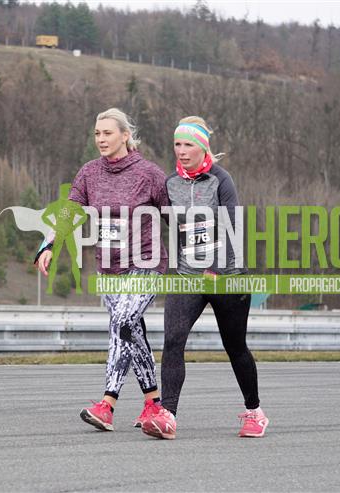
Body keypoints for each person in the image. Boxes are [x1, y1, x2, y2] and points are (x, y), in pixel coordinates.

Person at [35, 108, 168, 431]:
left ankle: (107, 404)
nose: (101, 139)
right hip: (109, 269)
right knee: (131, 331)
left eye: (108, 133)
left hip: (146, 263)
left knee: (122, 323)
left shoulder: (149, 174)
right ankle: (153, 403)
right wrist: (49, 244)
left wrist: (205, 255)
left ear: (125, 135)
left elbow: (176, 217)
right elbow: (69, 212)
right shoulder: (89, 173)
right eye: (97, 133)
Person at [141, 116, 269, 440]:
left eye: (188, 145)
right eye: (177, 144)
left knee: (235, 346)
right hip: (188, 275)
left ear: (202, 148)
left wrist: (215, 267)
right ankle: (168, 415)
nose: (181, 151)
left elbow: (233, 227)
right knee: (173, 340)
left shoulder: (221, 180)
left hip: (228, 276)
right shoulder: (170, 184)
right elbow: (171, 226)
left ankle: (255, 411)